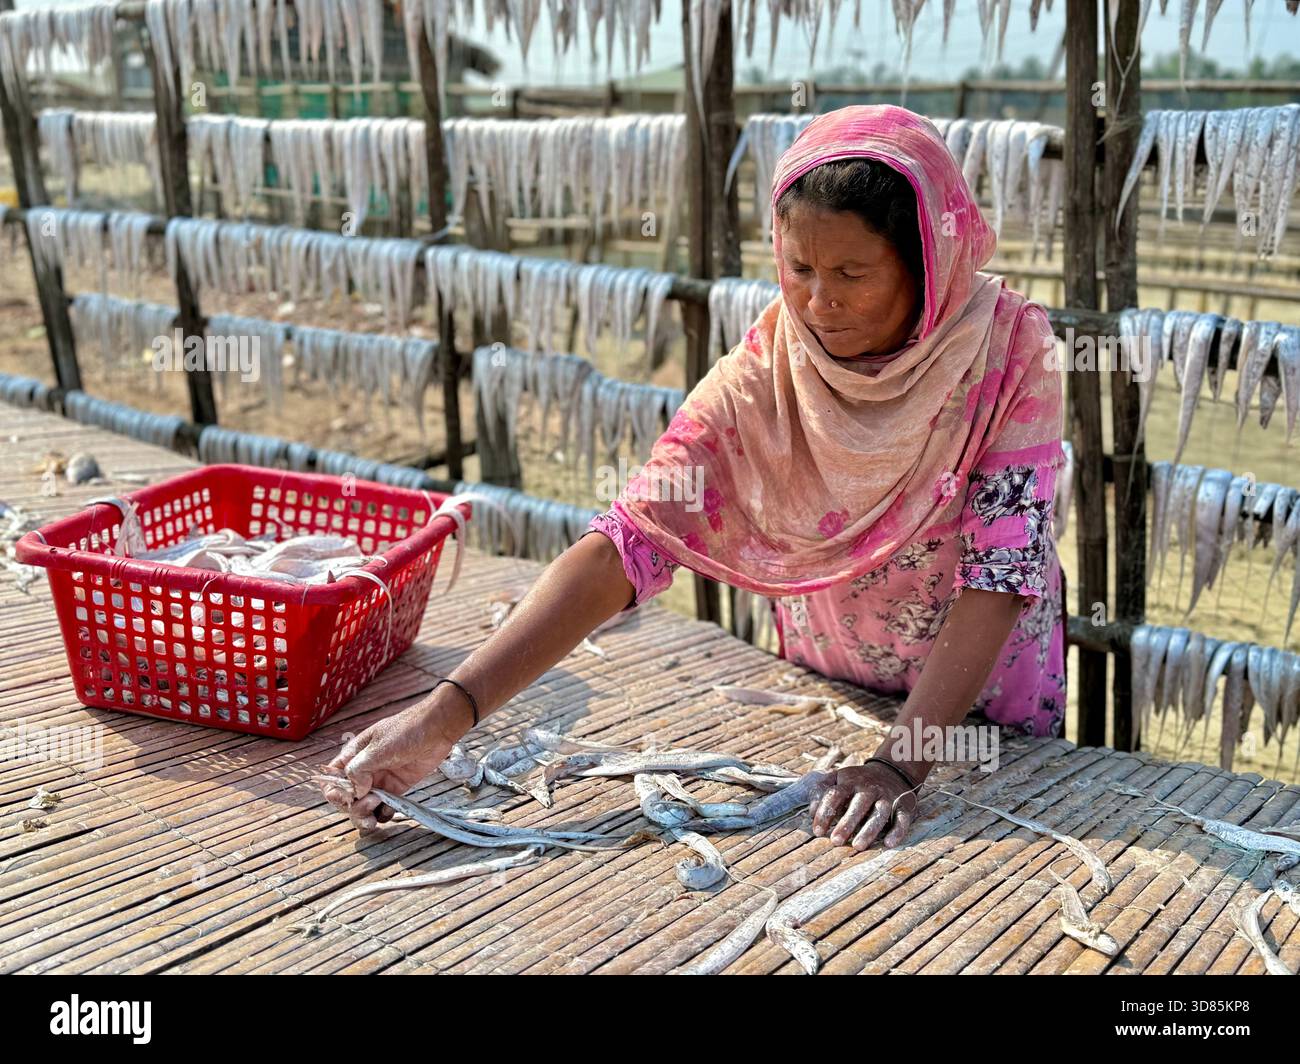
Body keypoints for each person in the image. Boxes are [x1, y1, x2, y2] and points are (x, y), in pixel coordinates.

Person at [320, 104, 1067, 853]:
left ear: (926, 263)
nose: (818, 301)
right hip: (830, 674)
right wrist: (442, 718)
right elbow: (630, 539)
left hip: (977, 697)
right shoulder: (771, 363)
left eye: (852, 273)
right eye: (799, 268)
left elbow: (1001, 571)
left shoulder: (1005, 348)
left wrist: (900, 768)